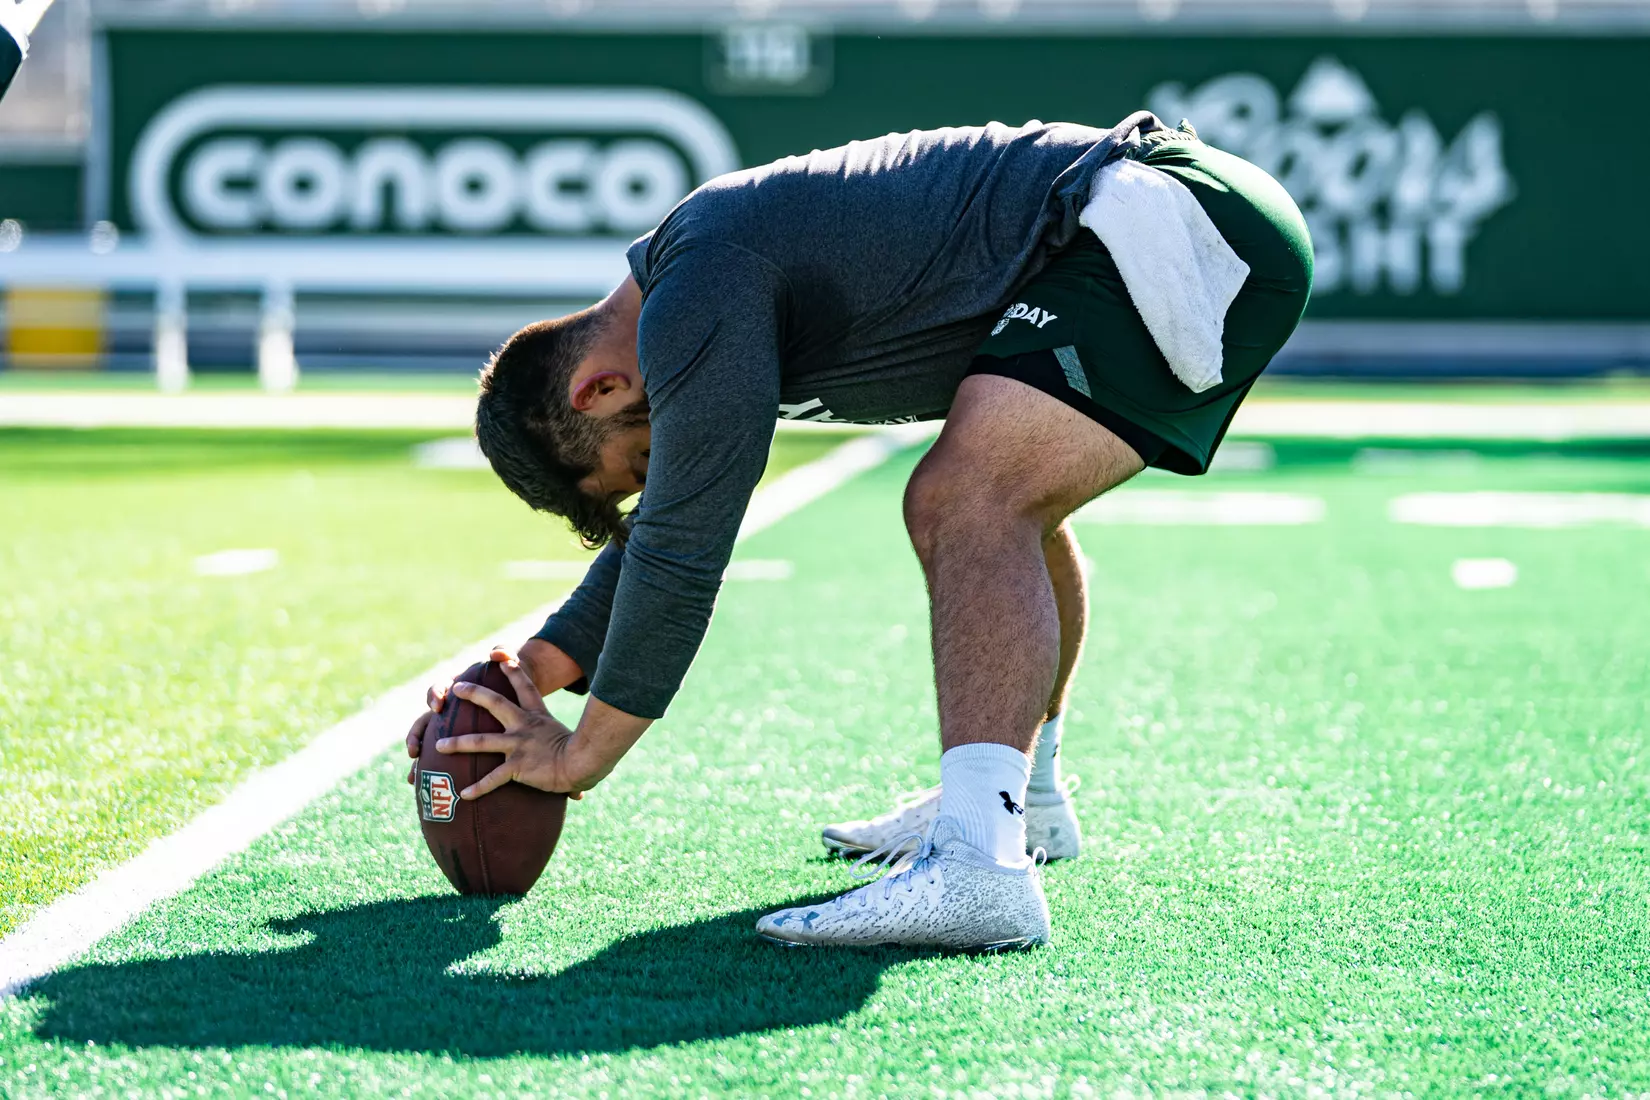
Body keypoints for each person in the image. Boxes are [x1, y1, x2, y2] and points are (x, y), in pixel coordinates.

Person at [405, 112, 1312, 950]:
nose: (663, 475)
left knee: (967, 497)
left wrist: (580, 754)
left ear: (598, 392)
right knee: (1000, 497)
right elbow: (666, 532)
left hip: (1167, 221)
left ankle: (979, 867)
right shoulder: (686, 296)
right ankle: (1021, 803)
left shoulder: (696, 290)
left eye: (640, 466)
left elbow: (684, 542)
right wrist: (527, 673)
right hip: (1140, 227)